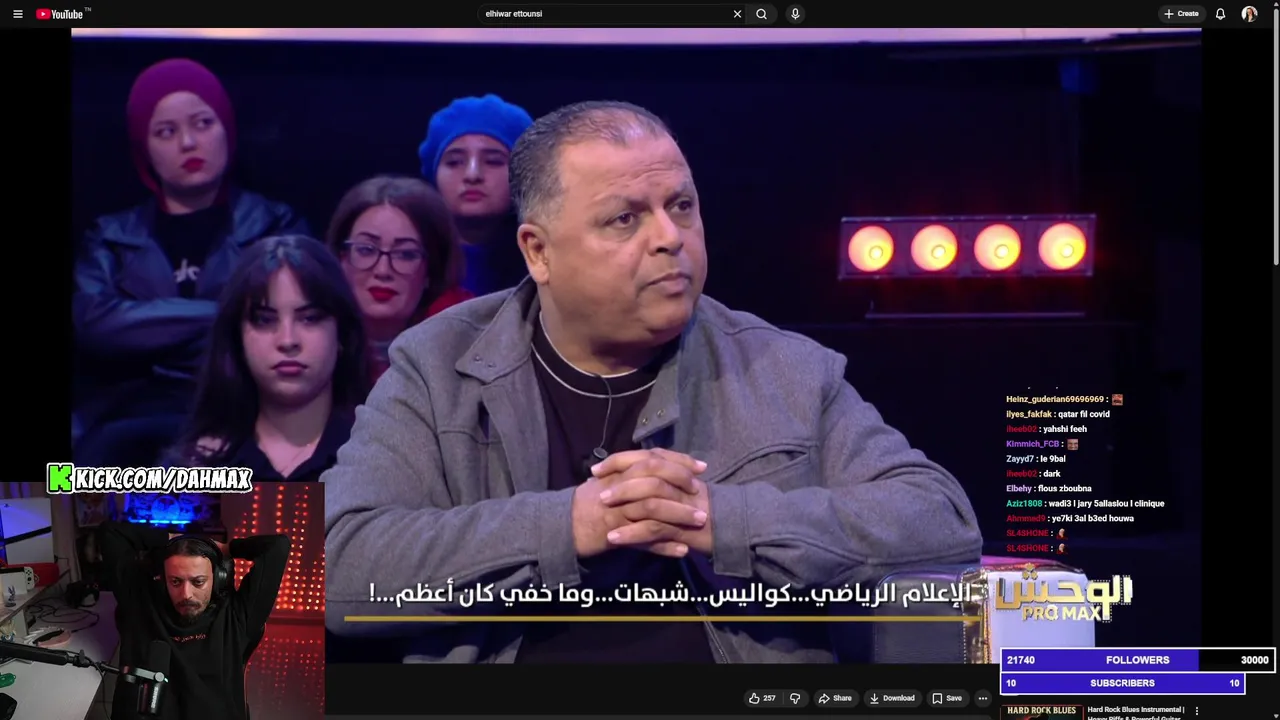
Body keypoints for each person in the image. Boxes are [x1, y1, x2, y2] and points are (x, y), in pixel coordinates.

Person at [324, 101, 982, 663]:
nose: (670, 237)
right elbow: (335, 567)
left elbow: (940, 522)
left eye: (681, 206)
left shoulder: (783, 368)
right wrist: (569, 526)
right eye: (625, 218)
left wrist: (722, 519)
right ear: (538, 251)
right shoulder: (438, 366)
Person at [73, 58, 309, 467]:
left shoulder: (278, 226)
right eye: (166, 131)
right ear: (144, 148)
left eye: (203, 123)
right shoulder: (109, 235)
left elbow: (286, 322)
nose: (188, 142)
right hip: (123, 414)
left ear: (227, 129)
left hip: (241, 409)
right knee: (43, 502)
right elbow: (96, 325)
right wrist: (227, 313)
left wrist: (150, 333)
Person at [167, 235, 369, 482]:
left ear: (342, 335)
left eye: (310, 318)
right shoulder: (193, 467)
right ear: (237, 337)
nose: (287, 340)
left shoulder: (384, 460)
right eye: (265, 320)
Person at [97, 520, 290, 719]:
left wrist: (225, 548)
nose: (186, 594)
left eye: (198, 582)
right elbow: (111, 531)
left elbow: (277, 547)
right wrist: (174, 539)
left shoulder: (237, 615)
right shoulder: (140, 604)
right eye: (175, 581)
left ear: (218, 578)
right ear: (163, 580)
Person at [325, 175, 469, 383]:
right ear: (342, 259)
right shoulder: (311, 341)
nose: (383, 270)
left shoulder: (468, 343)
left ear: (431, 270)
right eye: (366, 250)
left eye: (405, 254)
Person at [417, 94, 533, 295]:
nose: (472, 175)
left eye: (493, 161)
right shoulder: (409, 258)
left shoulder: (547, 260)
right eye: (455, 162)